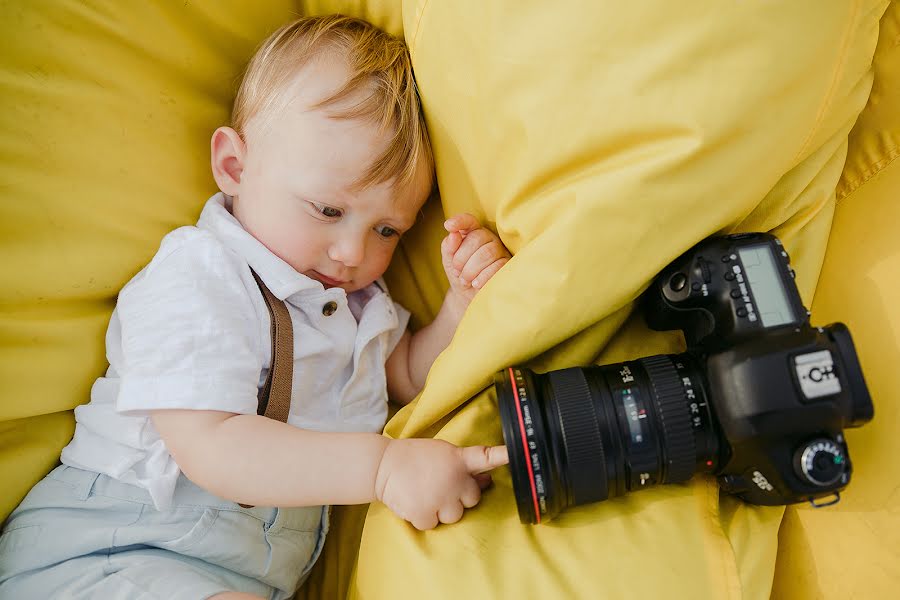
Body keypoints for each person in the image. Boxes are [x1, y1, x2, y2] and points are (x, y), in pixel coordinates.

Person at [0, 15, 511, 600]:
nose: (352, 252)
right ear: (235, 168)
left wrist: (461, 306)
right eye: (326, 210)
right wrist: (383, 469)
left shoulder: (360, 305)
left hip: (227, 577)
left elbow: (402, 375)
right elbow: (213, 446)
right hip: (106, 554)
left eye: (389, 229)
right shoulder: (201, 271)